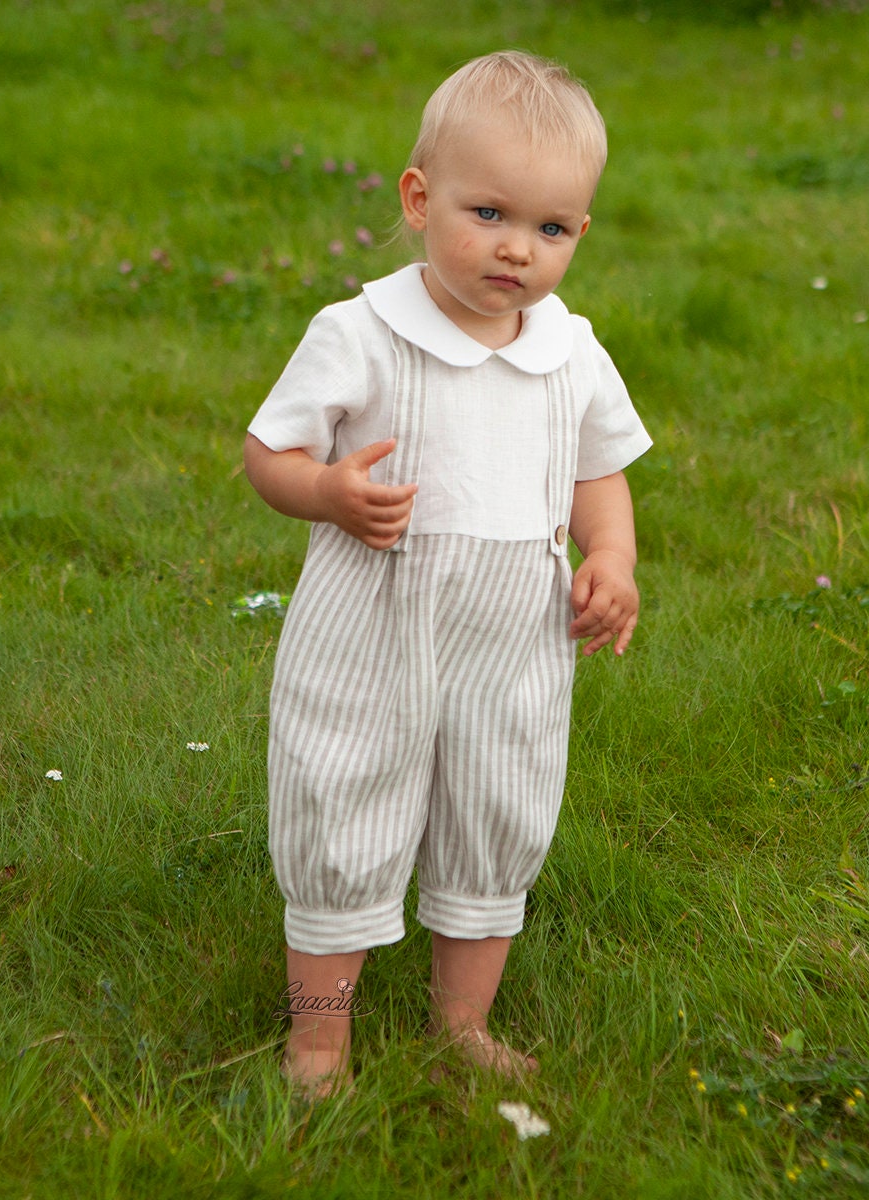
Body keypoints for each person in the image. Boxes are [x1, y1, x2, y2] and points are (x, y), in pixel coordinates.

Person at [244, 49, 651, 1097]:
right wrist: (329, 492)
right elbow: (269, 455)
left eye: (551, 229)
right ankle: (319, 1039)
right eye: (490, 214)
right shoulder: (363, 334)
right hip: (374, 628)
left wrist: (610, 557)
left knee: (497, 813)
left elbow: (597, 471)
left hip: (511, 640)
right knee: (344, 808)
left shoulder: (571, 353)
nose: (519, 249)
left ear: (580, 234)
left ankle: (461, 1024)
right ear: (419, 201)